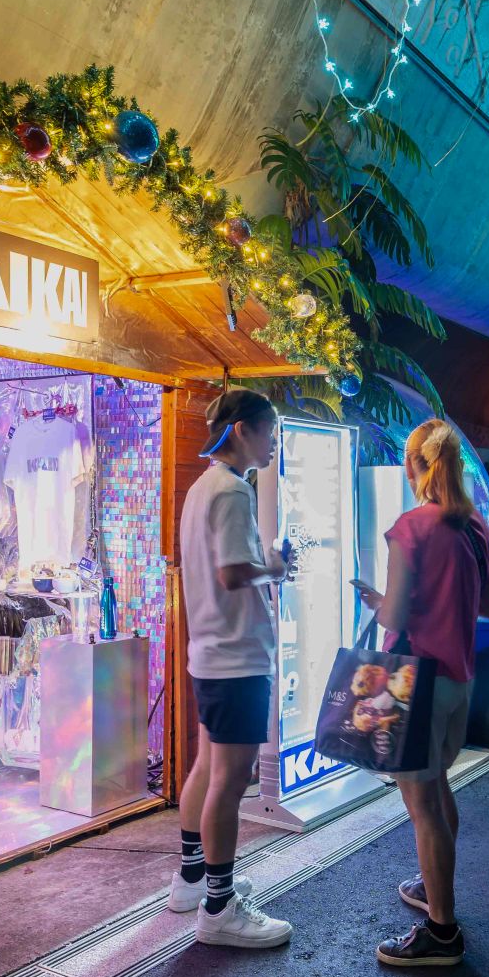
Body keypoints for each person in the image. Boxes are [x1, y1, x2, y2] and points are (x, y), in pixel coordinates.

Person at [356, 420, 489, 966]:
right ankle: (434, 889)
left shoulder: (411, 527)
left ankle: (442, 931)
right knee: (438, 792)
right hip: (460, 680)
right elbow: (487, 607)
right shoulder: (477, 529)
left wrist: (376, 601)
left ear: (414, 465)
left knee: (422, 809)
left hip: (417, 683)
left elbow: (394, 613)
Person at [173, 388, 292, 947]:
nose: (273, 444)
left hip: (209, 654)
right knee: (230, 780)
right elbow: (232, 572)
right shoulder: (233, 490)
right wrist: (274, 567)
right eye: (269, 432)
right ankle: (220, 908)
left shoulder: (201, 488)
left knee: (207, 767)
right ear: (242, 429)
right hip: (237, 656)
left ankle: (193, 877)